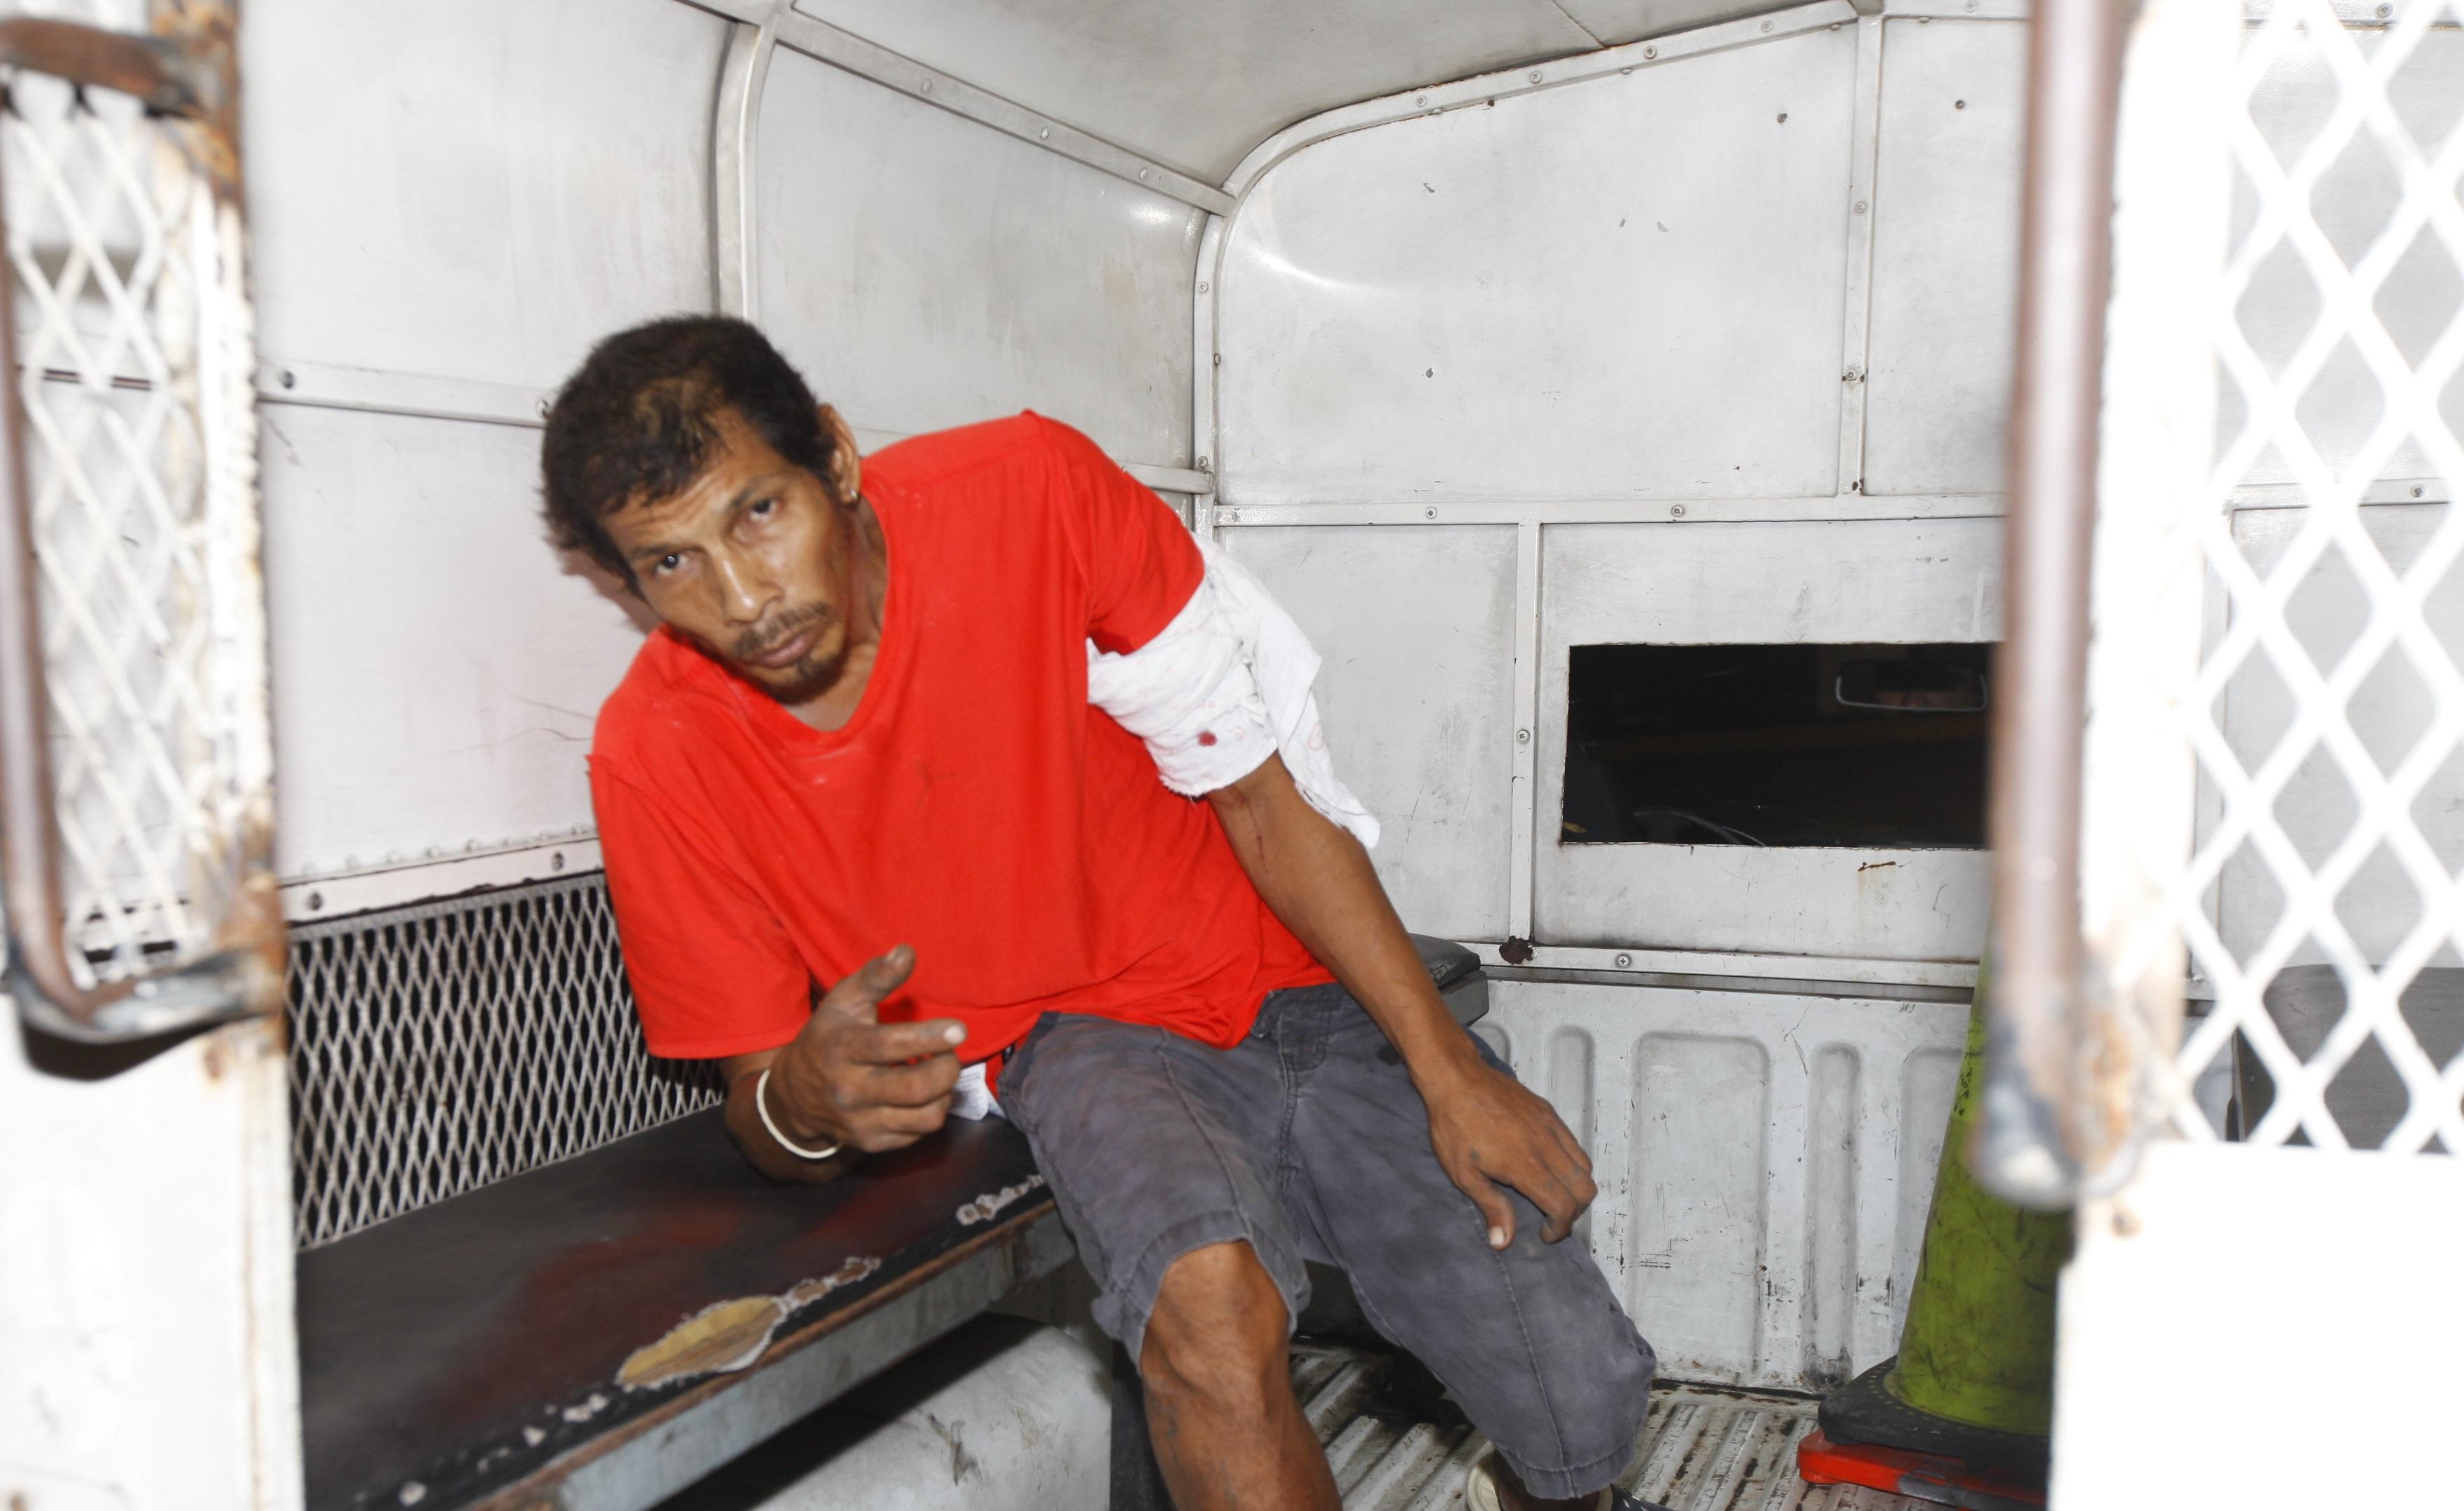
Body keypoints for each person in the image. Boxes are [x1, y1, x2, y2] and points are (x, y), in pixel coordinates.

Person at [542, 317, 1658, 1511]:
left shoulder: (1025, 496)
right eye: (672, 562)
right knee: (1213, 1313)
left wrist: (1451, 1072)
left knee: (1579, 1396)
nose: (744, 595)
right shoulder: (659, 754)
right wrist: (807, 1103)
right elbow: (764, 1105)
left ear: (837, 456)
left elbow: (1259, 795)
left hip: (1292, 970)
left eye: (759, 512)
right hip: (1088, 1039)